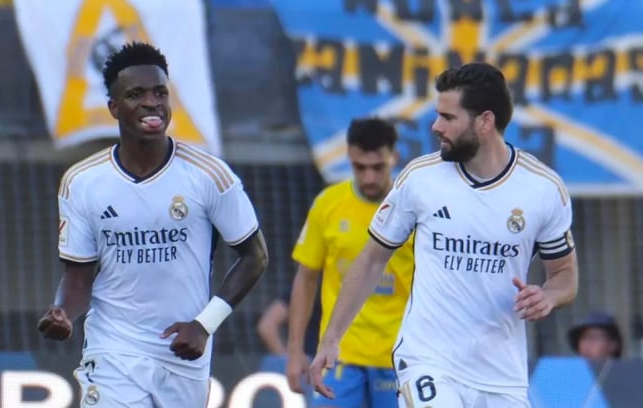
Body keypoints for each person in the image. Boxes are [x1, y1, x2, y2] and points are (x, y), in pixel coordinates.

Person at [309, 62, 579, 408]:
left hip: (502, 374)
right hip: (428, 361)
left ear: (485, 121)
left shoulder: (542, 189)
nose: (436, 127)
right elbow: (372, 260)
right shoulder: (421, 178)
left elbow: (564, 276)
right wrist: (332, 337)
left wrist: (548, 296)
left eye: (448, 118)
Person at [36, 42, 268, 407]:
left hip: (182, 353)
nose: (151, 102)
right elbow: (78, 277)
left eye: (160, 92)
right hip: (113, 349)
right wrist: (63, 311)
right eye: (136, 94)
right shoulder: (82, 182)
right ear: (114, 107)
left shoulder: (209, 175)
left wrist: (205, 323)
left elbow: (255, 255)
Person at [287, 118, 415, 408]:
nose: (369, 178)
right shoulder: (328, 204)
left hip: (399, 358)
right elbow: (306, 278)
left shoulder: (412, 208)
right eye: (360, 167)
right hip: (338, 357)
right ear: (349, 158)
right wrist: (295, 351)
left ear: (394, 157)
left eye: (378, 167)